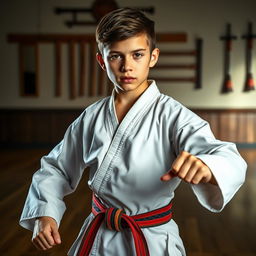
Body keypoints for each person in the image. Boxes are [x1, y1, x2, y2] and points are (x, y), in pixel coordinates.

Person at [20, 7, 247, 256]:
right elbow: (57, 168)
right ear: (101, 60)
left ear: (153, 57)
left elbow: (226, 156)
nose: (127, 66)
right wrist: (45, 212)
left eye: (137, 55)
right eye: (116, 56)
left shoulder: (172, 115)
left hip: (152, 239)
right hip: (99, 237)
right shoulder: (91, 117)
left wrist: (207, 166)